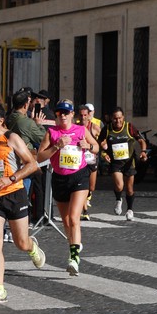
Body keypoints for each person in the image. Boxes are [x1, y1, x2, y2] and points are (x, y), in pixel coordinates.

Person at [0, 103, 46, 304]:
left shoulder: (12, 138)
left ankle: (32, 247)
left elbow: (31, 164)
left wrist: (10, 179)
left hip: (14, 194)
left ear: (0, 120)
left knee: (20, 242)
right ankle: (0, 288)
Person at [37, 99, 99, 276]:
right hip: (60, 179)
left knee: (73, 218)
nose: (62, 115)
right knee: (66, 222)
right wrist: (57, 146)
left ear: (72, 114)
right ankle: (74, 243)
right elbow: (40, 157)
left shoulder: (81, 130)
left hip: (79, 177)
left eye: (66, 112)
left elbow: (97, 147)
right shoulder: (52, 133)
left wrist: (88, 146)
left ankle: (74, 259)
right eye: (59, 113)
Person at [97, 106, 146, 221]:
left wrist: (143, 151)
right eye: (115, 118)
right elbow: (99, 141)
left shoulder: (129, 127)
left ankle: (130, 210)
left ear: (123, 117)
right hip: (115, 162)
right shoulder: (107, 129)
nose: (117, 121)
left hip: (129, 161)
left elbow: (141, 140)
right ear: (111, 118)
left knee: (129, 189)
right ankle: (118, 199)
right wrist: (104, 153)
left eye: (119, 118)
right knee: (119, 185)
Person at [77, 104, 101, 220]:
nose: (83, 118)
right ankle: (84, 210)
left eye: (85, 115)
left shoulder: (95, 128)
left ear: (88, 115)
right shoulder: (75, 127)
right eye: (81, 115)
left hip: (92, 160)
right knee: (83, 186)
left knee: (91, 187)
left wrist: (105, 151)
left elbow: (102, 142)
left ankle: (86, 200)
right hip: (80, 162)